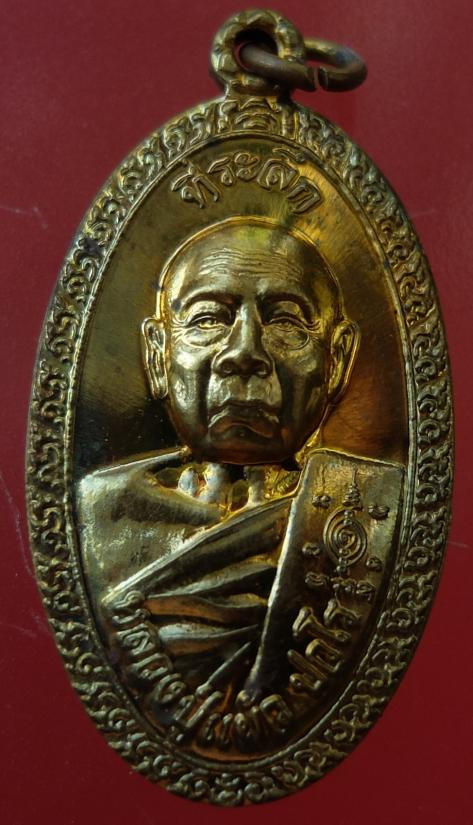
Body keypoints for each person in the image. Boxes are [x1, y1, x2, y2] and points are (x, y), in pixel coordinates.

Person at [77, 218, 403, 748]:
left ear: (338, 358)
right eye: (208, 318)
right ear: (157, 355)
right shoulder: (98, 513)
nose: (244, 352)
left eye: (286, 322)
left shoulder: (377, 506)